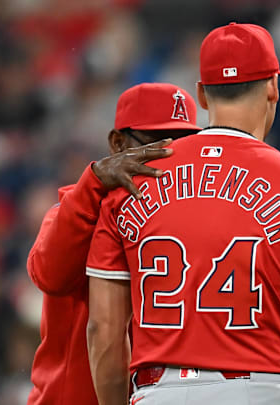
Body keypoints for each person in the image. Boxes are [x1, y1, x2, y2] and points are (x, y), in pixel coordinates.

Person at [85, 22, 280, 405]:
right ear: (272, 88)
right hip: (259, 390)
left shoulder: (131, 183)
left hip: (157, 390)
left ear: (200, 94)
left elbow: (103, 331)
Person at [26, 82, 202, 405]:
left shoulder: (191, 221)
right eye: (156, 144)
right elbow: (50, 274)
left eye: (181, 144)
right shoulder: (68, 212)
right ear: (118, 143)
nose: (168, 155)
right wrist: (93, 181)